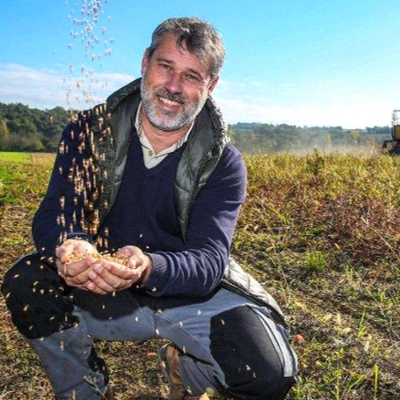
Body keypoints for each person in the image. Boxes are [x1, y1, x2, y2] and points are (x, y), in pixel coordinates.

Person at [2, 17, 297, 400]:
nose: (173, 87)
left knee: (269, 373)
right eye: (166, 67)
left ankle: (190, 374)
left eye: (192, 76)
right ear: (145, 62)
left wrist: (146, 267)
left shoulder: (222, 161)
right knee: (28, 280)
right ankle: (82, 389)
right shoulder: (89, 133)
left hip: (186, 290)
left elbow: (209, 261)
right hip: (99, 283)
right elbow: (57, 212)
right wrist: (71, 246)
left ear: (211, 86)